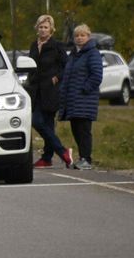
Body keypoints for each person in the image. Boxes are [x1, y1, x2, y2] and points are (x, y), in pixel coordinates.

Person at [27, 14, 72, 168]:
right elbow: (30, 65)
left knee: (41, 122)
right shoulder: (34, 45)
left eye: (46, 27)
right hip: (35, 90)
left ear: (51, 29)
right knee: (42, 123)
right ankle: (53, 155)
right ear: (37, 28)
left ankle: (56, 154)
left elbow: (66, 65)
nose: (43, 30)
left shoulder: (57, 46)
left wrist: (57, 77)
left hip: (50, 90)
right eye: (40, 27)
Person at [58, 23, 103, 170]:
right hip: (73, 100)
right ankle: (82, 157)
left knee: (84, 130)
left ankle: (87, 159)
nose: (79, 38)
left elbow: (96, 75)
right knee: (76, 129)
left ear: (88, 37)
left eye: (82, 35)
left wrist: (84, 89)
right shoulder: (74, 55)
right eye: (77, 35)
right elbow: (67, 75)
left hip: (84, 100)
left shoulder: (92, 53)